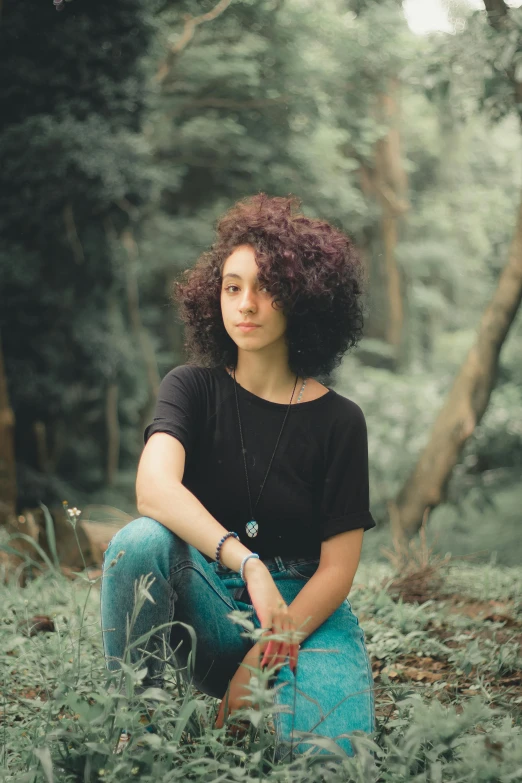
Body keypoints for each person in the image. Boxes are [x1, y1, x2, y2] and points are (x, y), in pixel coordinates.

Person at [100, 193, 377, 762]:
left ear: (302, 298)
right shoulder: (191, 388)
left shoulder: (341, 421)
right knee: (139, 541)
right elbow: (154, 490)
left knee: (331, 758)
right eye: (232, 286)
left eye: (266, 287)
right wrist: (245, 562)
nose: (245, 304)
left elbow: (338, 570)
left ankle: (280, 710)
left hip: (305, 615)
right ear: (214, 295)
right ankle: (135, 732)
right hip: (212, 600)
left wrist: (261, 660)